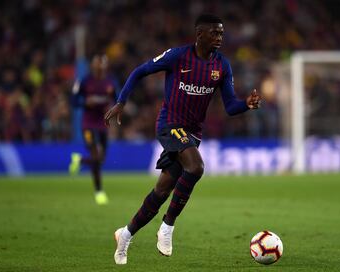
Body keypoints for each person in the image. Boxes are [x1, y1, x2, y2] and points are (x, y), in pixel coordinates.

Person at [104, 14, 261, 264]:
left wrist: (246, 105)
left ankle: (126, 234)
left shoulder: (222, 66)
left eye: (221, 33)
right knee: (196, 167)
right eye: (214, 33)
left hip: (193, 132)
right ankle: (167, 227)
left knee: (162, 189)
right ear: (200, 34)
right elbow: (139, 71)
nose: (219, 38)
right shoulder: (178, 56)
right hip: (170, 124)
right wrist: (122, 101)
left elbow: (230, 106)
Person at [69, 55, 118, 205]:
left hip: (103, 124)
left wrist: (114, 107)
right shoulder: (84, 81)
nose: (99, 67)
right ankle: (99, 191)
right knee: (96, 156)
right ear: (93, 66)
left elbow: (118, 98)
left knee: (101, 159)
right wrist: (85, 102)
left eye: (102, 65)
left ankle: (80, 159)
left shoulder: (111, 81)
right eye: (97, 64)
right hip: (88, 124)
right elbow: (73, 100)